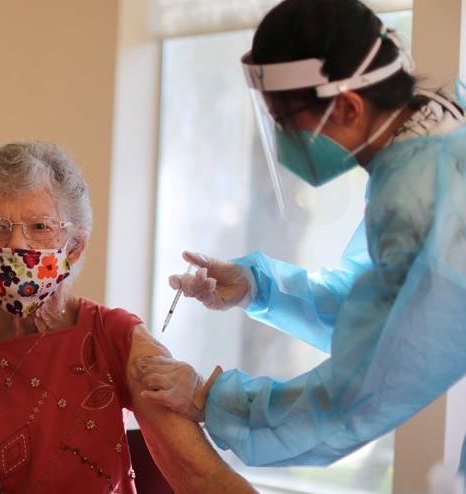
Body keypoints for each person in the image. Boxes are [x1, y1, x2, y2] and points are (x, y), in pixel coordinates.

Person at [136, 0, 466, 476]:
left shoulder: (419, 193)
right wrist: (259, 288)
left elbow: (364, 389)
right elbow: (386, 303)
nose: (284, 138)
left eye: (288, 124)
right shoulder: (434, 138)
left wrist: (211, 398)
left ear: (349, 106)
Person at [0, 141, 255, 493]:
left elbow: (200, 476)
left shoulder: (116, 336)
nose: (17, 245)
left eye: (40, 227)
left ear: (75, 248)